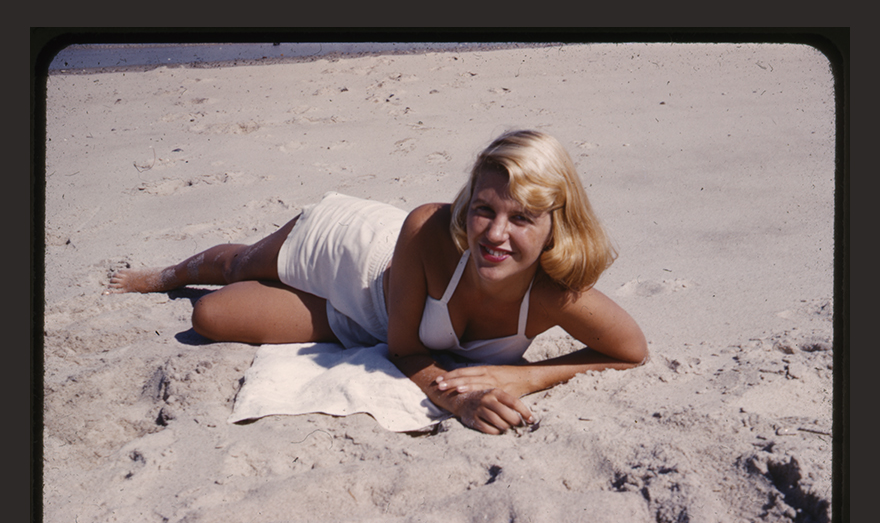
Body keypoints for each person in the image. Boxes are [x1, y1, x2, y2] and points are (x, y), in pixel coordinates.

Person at [107, 129, 648, 434]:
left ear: (557, 224)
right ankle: (166, 274)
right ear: (468, 204)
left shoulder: (554, 292)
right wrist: (459, 401)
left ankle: (273, 300)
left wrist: (527, 379)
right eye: (484, 209)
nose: (496, 235)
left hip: (364, 322)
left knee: (213, 316)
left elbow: (630, 351)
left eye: (522, 218)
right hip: (357, 258)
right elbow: (407, 351)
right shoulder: (428, 228)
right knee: (237, 267)